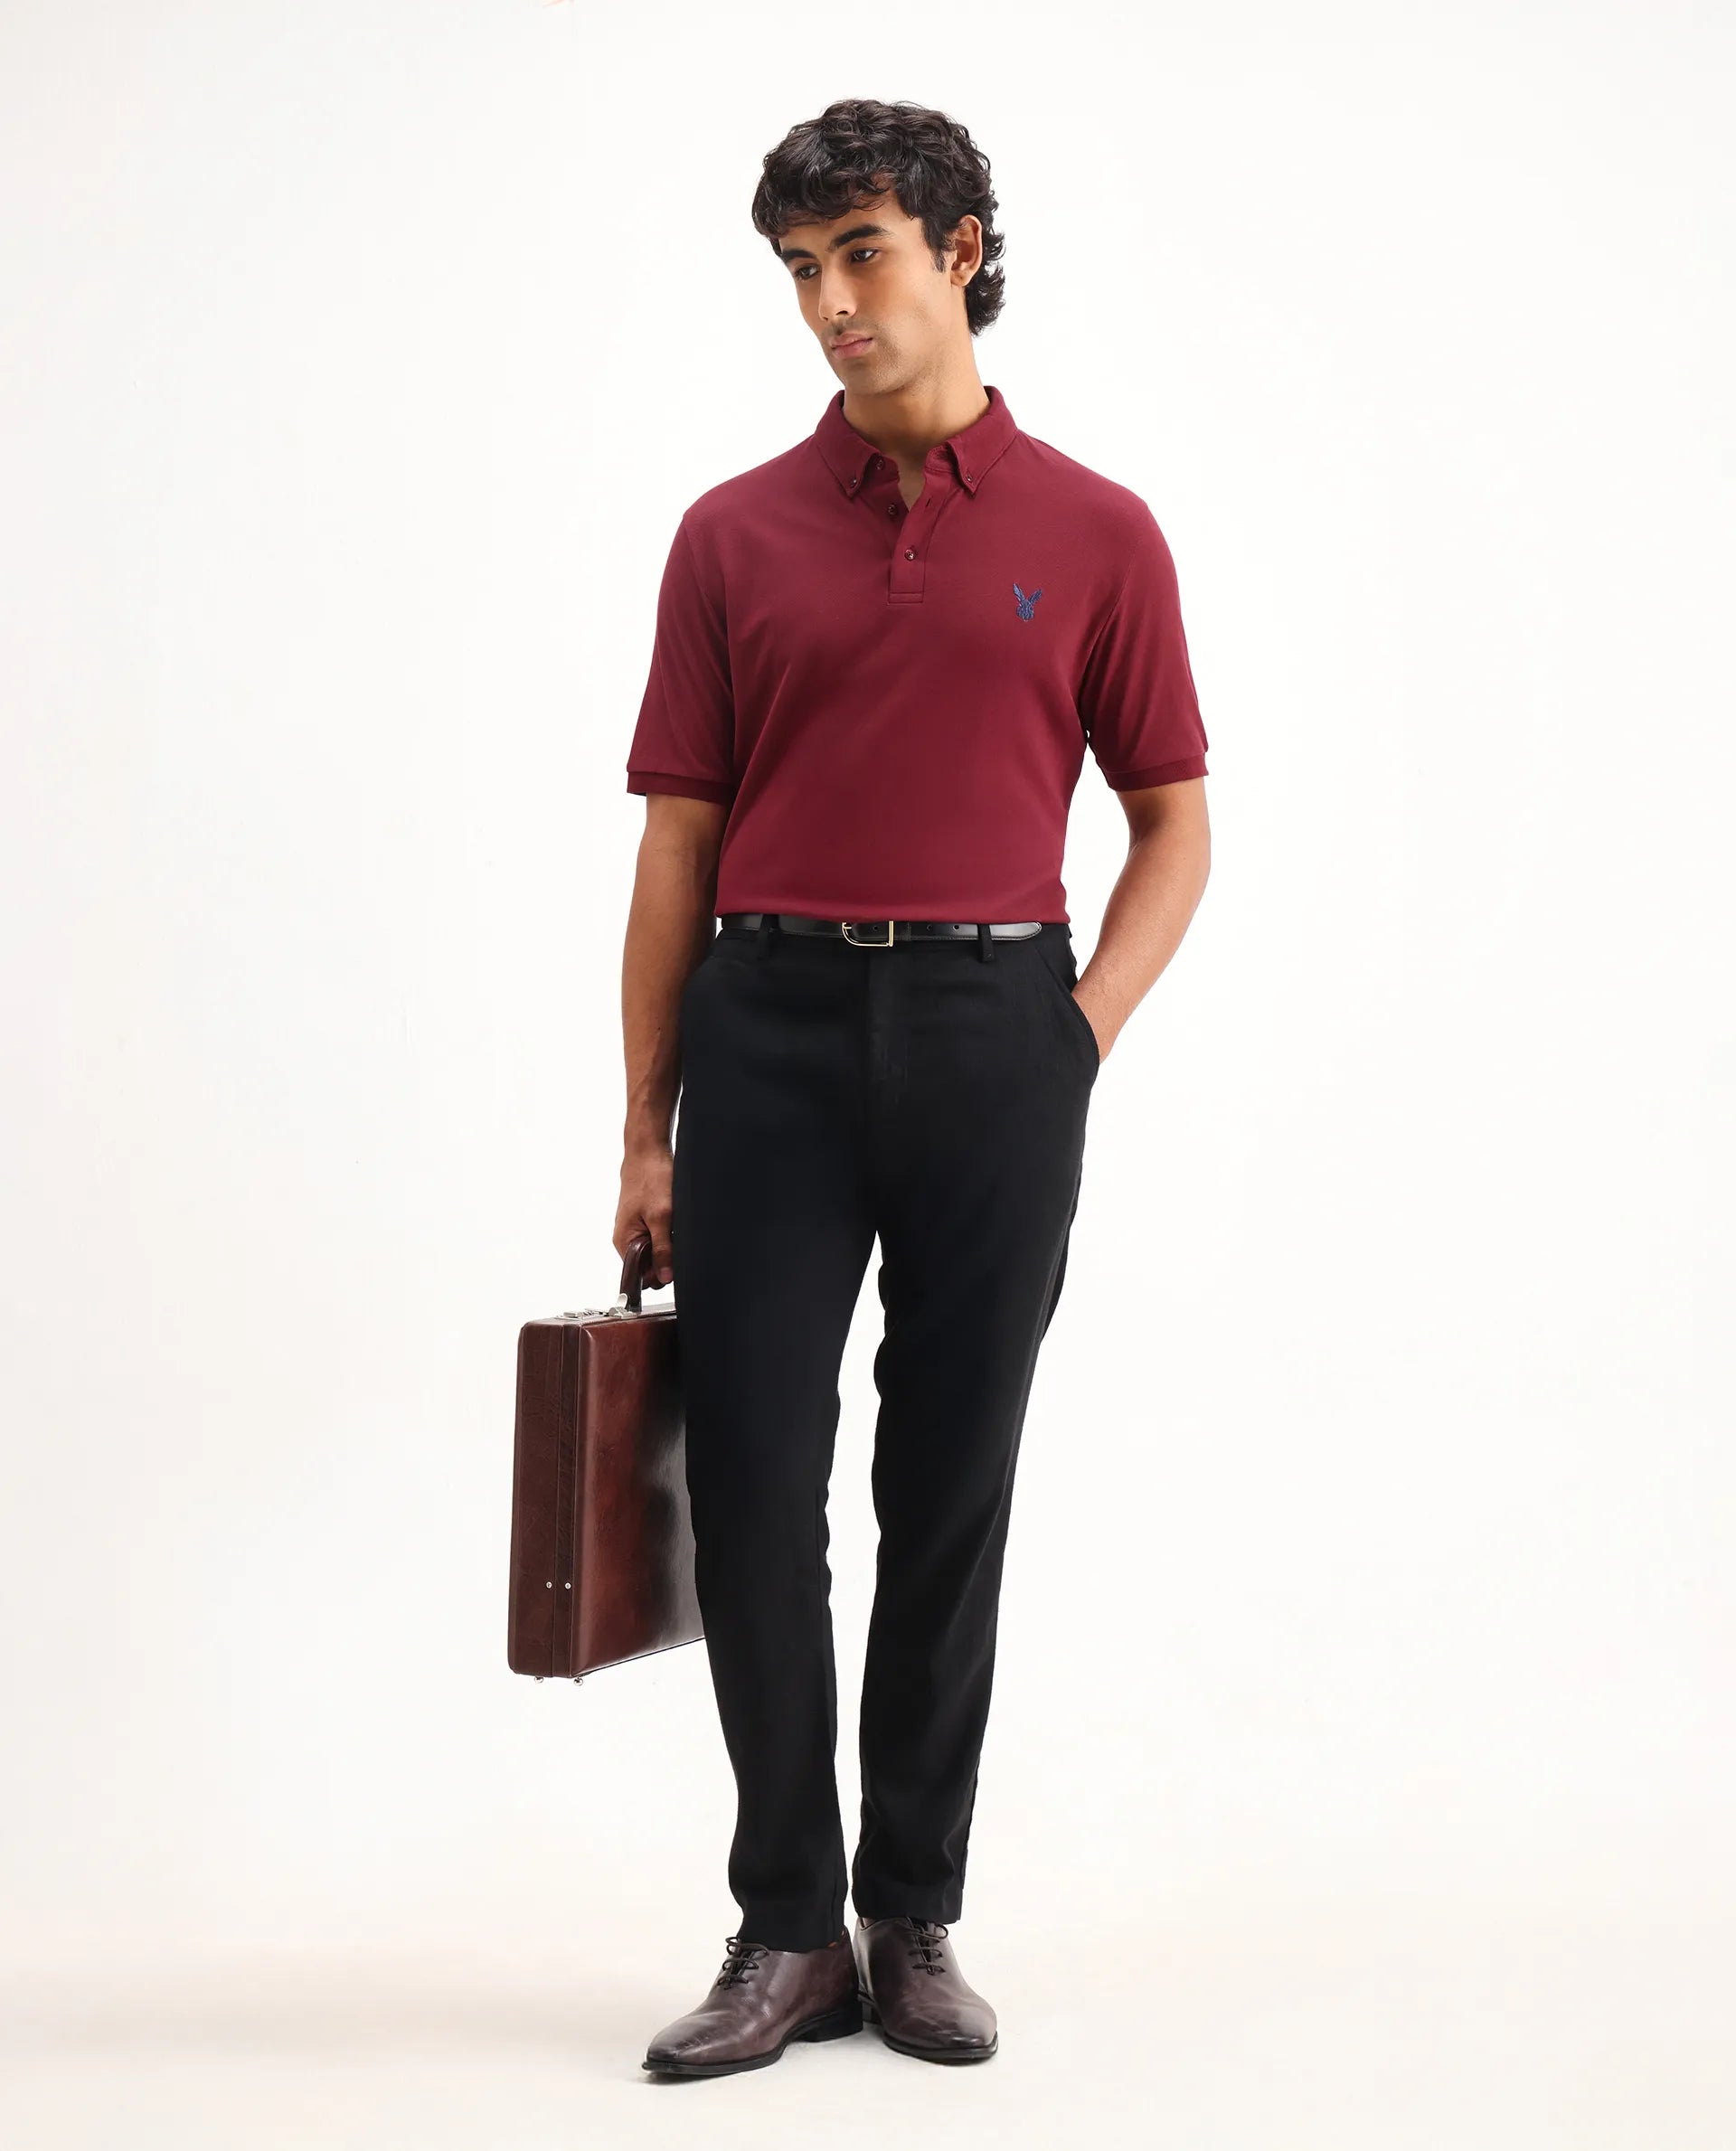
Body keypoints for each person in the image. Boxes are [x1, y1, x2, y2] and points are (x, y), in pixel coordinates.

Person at [615, 96, 1212, 2078]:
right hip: (767, 1034)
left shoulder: (1099, 532)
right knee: (751, 1489)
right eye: (801, 270)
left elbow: (1174, 819)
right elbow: (676, 846)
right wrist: (643, 1124)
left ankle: (913, 1915)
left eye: (861, 253)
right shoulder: (731, 534)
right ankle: (786, 1930)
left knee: (948, 1490)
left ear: (960, 250)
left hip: (993, 1036)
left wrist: (1075, 1031)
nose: (831, 303)